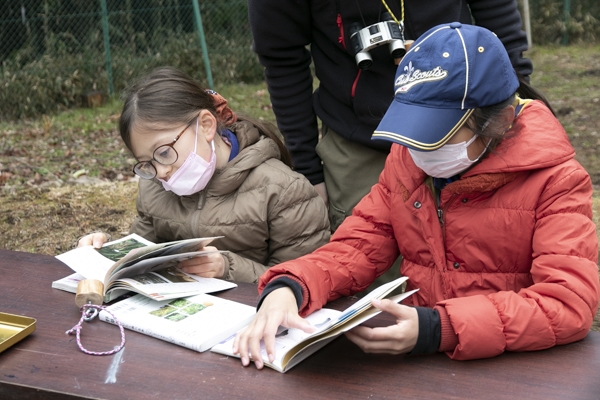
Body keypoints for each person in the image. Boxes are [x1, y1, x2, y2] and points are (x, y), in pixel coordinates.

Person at [233, 23, 600, 368]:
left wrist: (438, 328)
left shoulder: (557, 182)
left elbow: (567, 304)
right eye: (413, 131)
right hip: (423, 361)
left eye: (438, 135)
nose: (420, 151)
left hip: (514, 365)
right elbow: (361, 242)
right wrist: (292, 285)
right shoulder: (408, 161)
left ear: (500, 121)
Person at [248, 0, 533, 232]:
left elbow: (498, 17)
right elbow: (281, 56)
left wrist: (518, 112)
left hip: (466, 123)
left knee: (491, 246)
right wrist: (308, 169)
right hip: (360, 139)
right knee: (371, 265)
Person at [78, 67, 330, 283]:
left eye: (164, 153)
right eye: (147, 163)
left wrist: (227, 268)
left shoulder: (283, 189)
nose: (162, 172)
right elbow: (142, 251)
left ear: (206, 126)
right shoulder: (155, 186)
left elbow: (307, 279)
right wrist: (106, 249)